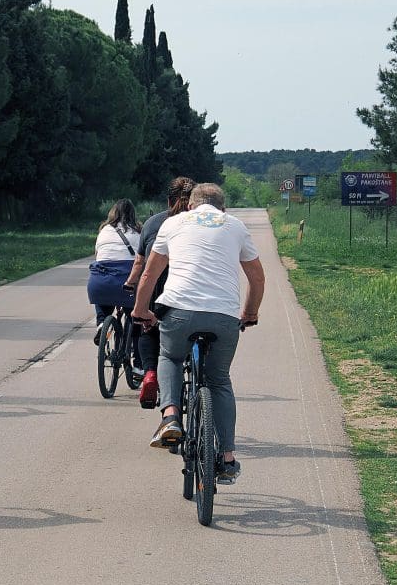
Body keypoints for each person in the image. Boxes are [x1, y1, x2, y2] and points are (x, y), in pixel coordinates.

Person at [131, 182, 265, 483]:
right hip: (224, 315)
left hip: (178, 311)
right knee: (219, 380)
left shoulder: (172, 223)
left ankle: (170, 417)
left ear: (190, 205)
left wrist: (141, 311)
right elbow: (257, 279)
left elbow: (149, 273)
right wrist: (250, 313)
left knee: (169, 357)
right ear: (223, 208)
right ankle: (227, 458)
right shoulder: (235, 225)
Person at [123, 177, 195, 407]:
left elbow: (140, 262)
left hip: (156, 284)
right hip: (187, 285)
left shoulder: (153, 222)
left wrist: (132, 286)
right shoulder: (201, 222)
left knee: (148, 328)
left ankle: (150, 373)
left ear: (168, 200)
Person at [86, 199, 141, 338]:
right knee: (134, 318)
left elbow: (97, 256)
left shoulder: (103, 231)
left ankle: (101, 323)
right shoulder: (138, 232)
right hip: (127, 281)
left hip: (101, 282)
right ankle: (134, 343)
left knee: (103, 302)